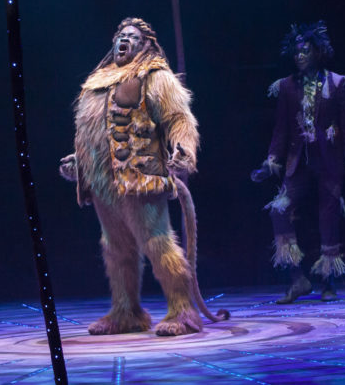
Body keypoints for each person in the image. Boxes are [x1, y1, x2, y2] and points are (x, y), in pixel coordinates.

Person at [58, 17, 226, 336]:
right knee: (115, 248)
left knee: (156, 242)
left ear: (145, 44)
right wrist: (79, 164)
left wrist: (184, 149)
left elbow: (179, 119)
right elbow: (92, 135)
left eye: (131, 36)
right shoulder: (97, 81)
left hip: (141, 178)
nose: (123, 40)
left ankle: (183, 311)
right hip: (105, 185)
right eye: (120, 35)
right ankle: (126, 312)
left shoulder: (154, 76)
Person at [252, 21, 345, 303]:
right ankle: (297, 278)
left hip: (328, 163)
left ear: (317, 52)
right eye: (297, 52)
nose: (299, 55)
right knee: (278, 211)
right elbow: (280, 129)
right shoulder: (287, 88)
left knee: (328, 218)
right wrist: (270, 161)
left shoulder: (338, 84)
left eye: (305, 51)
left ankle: (328, 282)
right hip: (297, 163)